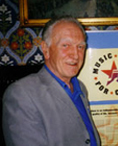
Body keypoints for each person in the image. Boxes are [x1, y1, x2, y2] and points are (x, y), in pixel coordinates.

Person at [2, 16, 101, 146]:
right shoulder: (22, 94)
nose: (75, 55)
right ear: (46, 49)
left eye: (80, 47)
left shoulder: (80, 87)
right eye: (66, 45)